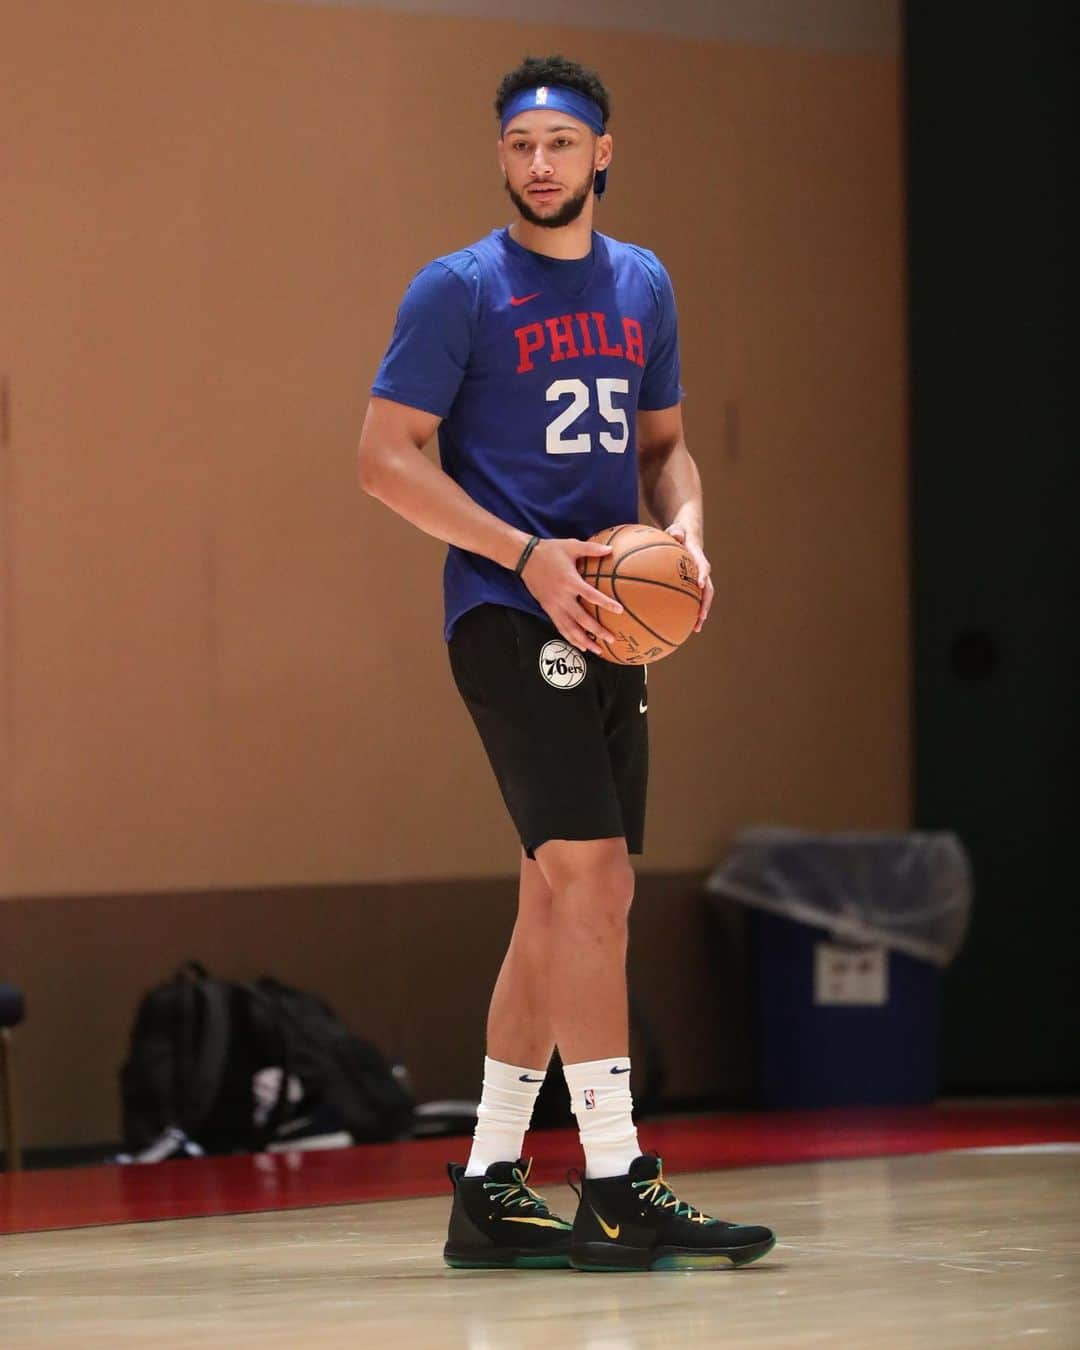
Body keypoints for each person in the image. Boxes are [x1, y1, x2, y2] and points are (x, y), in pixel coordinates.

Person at [358, 54, 774, 1273]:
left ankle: (489, 1185)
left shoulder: (643, 284)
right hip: (506, 606)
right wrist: (528, 555)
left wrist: (683, 537)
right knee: (593, 885)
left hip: (611, 614)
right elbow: (384, 460)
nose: (538, 163)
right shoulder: (458, 290)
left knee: (563, 900)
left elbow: (669, 455)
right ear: (503, 158)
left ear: (603, 153)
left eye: (560, 144)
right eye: (519, 145)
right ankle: (614, 1179)